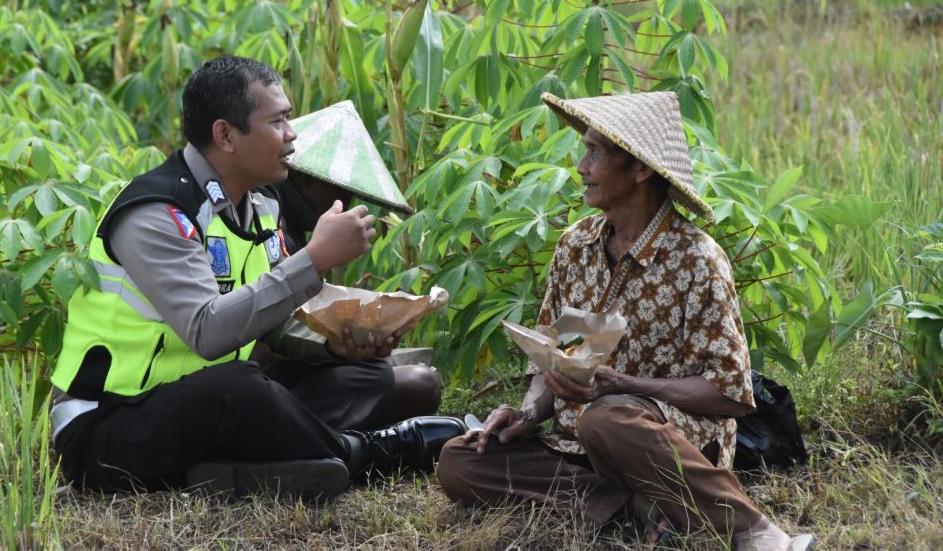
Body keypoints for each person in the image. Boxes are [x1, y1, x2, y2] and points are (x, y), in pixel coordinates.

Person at [49, 56, 463, 501]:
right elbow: (207, 332)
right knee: (237, 388)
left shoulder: (261, 207)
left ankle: (242, 467)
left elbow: (267, 323)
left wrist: (338, 344)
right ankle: (369, 452)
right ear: (225, 135)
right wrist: (314, 258)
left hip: (204, 408)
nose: (293, 136)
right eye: (279, 121)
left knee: (368, 377)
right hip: (108, 427)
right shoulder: (156, 213)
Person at [436, 92, 813, 551]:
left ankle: (752, 530)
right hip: (578, 446)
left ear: (640, 169)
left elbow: (729, 395)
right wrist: (529, 412)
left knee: (606, 418)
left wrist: (625, 387)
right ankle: (638, 504)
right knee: (459, 460)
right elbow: (551, 359)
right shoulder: (575, 246)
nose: (580, 166)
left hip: (668, 438)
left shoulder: (697, 260)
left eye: (595, 151)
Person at [256, 99, 442, 426]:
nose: (349, 204)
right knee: (417, 384)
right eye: (342, 191)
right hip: (258, 384)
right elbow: (271, 326)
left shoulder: (292, 222)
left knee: (419, 372)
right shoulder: (265, 218)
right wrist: (336, 343)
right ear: (304, 179)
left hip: (295, 369)